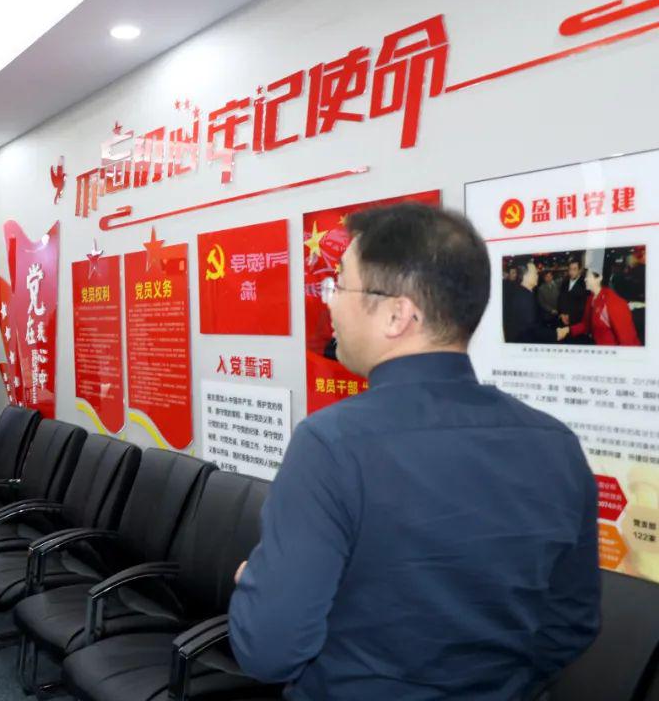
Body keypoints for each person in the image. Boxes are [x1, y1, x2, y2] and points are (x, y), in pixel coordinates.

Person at [229, 204, 599, 700]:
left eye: (339, 285)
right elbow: (571, 624)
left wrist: (256, 587)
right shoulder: (557, 445)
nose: (328, 303)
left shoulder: (331, 445)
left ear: (398, 314)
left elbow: (269, 650)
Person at [568, 269, 642, 346]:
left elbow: (628, 341)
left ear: (599, 277)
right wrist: (568, 330)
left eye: (588, 276)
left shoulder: (613, 302)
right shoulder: (591, 298)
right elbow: (586, 325)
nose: (585, 279)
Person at [503, 261, 568, 343]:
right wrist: (556, 334)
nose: (537, 275)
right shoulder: (524, 298)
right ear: (525, 276)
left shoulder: (525, 292)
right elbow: (532, 329)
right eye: (535, 273)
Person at [557, 257, 588, 326]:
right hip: (562, 321)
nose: (571, 272)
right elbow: (560, 299)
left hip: (575, 323)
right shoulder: (565, 282)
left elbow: (583, 307)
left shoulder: (585, 284)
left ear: (580, 270)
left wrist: (570, 317)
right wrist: (561, 314)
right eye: (570, 269)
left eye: (574, 269)